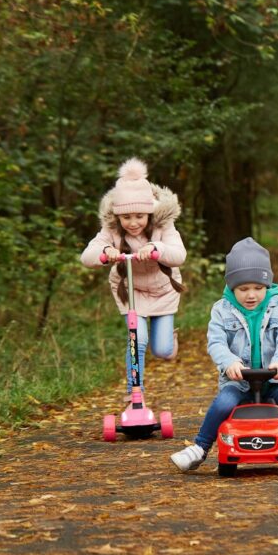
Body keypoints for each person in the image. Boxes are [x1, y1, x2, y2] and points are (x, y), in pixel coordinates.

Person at [170, 238, 278, 472]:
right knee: (223, 403)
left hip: (274, 379)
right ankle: (199, 448)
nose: (251, 295)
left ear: (267, 285)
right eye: (243, 289)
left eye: (258, 288)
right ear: (231, 287)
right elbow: (216, 342)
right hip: (238, 380)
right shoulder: (221, 309)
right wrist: (228, 361)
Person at [80, 158, 186, 399]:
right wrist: (106, 253)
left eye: (139, 216)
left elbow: (179, 255)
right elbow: (87, 256)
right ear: (118, 217)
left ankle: (170, 338)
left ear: (149, 212)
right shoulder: (112, 230)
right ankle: (134, 393)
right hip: (132, 292)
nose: (133, 223)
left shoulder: (164, 226)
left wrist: (157, 248)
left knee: (162, 349)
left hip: (162, 291)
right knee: (136, 339)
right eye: (126, 217)